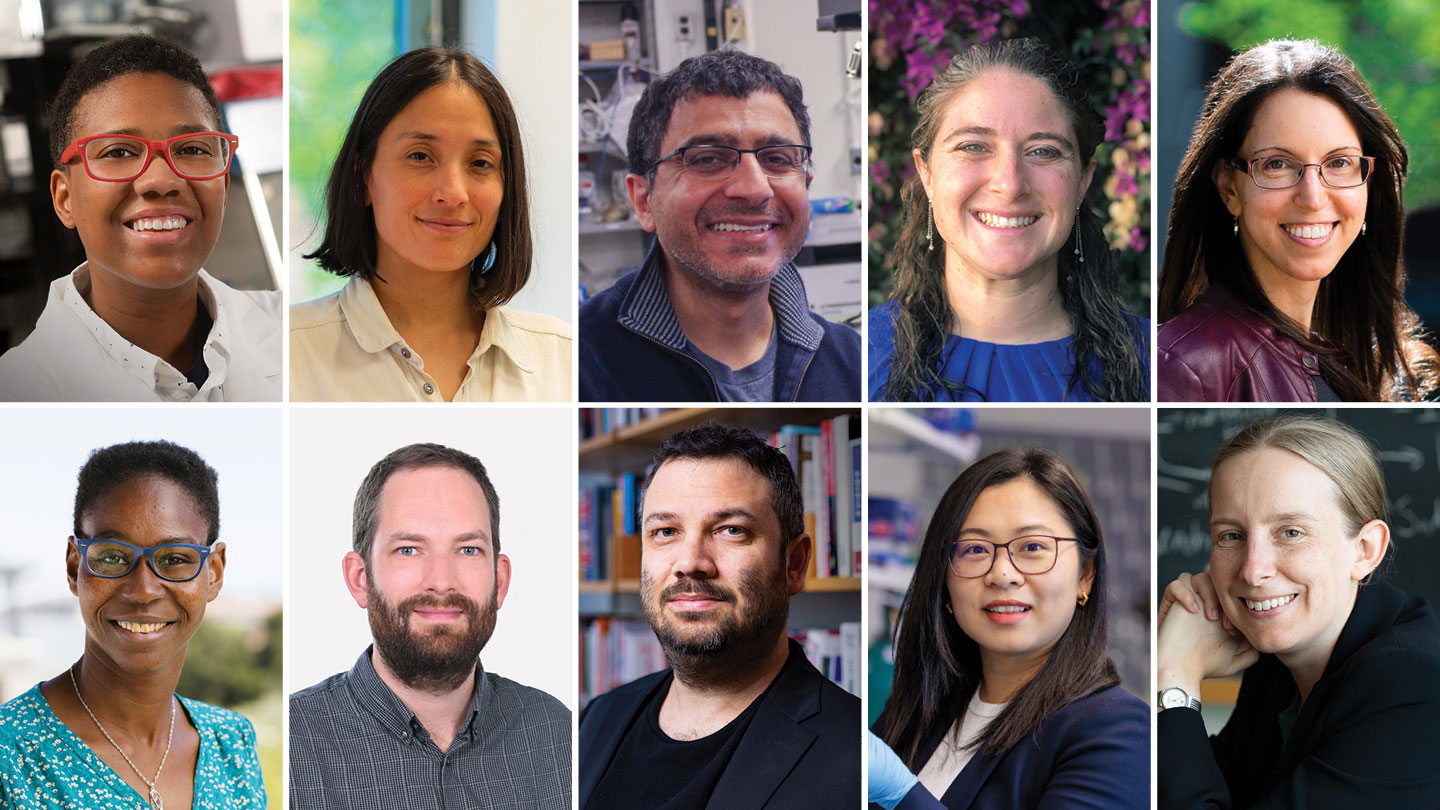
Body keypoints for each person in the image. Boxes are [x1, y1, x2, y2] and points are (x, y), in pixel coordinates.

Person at [1156, 414, 1440, 807]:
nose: (1253, 570)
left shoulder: (1414, 684)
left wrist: (1173, 682)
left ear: (1365, 550)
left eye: (1291, 532)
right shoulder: (1282, 661)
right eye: (1231, 536)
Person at [579, 424, 860, 807]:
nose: (690, 562)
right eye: (665, 531)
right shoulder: (598, 718)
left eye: (731, 530)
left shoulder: (858, 755)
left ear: (794, 564)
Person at [0, 35, 281, 402]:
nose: (161, 180)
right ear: (65, 199)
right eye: (118, 152)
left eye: (193, 149)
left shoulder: (292, 333)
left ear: (224, 185)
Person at [288, 443, 570, 809]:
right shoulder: (295, 746)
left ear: (499, 581)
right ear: (360, 579)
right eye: (408, 549)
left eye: (468, 550)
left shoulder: (556, 732)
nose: (441, 581)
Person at [1157, 39, 1438, 402]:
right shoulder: (1186, 366)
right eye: (1277, 164)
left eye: (1338, 162)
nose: (1313, 198)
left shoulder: (1350, 355)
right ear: (1229, 187)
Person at [869, 39, 1149, 403]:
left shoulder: (1158, 365)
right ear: (927, 173)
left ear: (1082, 180)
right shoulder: (859, 361)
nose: (1010, 184)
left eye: (1043, 151)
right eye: (973, 146)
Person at [867, 448, 1147, 809]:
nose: (1001, 574)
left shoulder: (1118, 732)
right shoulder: (921, 708)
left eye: (1032, 546)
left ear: (1085, 575)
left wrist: (903, 794)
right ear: (945, 582)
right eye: (974, 550)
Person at [577, 50, 861, 402]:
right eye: (708, 159)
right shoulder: (578, 365)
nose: (754, 188)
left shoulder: (855, 364)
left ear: (806, 182)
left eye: (777, 158)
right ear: (644, 200)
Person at [290, 49, 571, 402]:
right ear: (363, 177)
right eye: (420, 156)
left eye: (480, 163)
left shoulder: (563, 359)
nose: (452, 194)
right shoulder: (288, 352)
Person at [0, 441, 266, 808]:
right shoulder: (10, 754)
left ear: (214, 573)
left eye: (174, 558)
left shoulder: (232, 743)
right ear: (75, 566)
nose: (143, 590)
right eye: (112, 556)